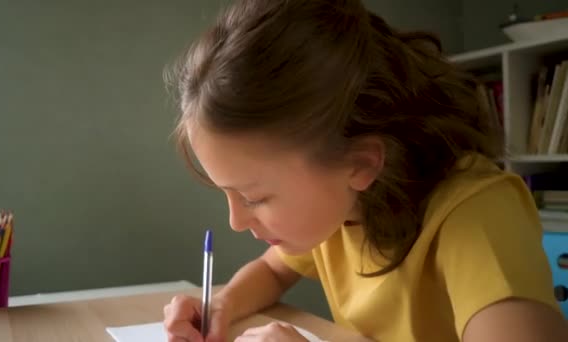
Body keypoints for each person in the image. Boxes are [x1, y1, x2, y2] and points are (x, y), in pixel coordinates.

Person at [162, 0, 568, 341]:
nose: (235, 221)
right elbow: (271, 269)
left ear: (360, 163)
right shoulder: (339, 209)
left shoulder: (476, 214)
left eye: (254, 197)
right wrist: (222, 305)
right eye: (227, 193)